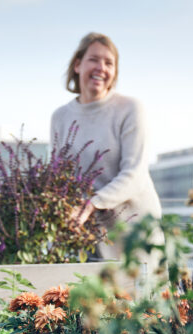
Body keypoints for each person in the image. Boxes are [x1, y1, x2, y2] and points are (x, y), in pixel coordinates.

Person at [50, 33, 163, 288]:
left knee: (144, 313)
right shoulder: (60, 117)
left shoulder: (130, 108)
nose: (101, 68)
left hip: (134, 229)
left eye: (109, 63)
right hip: (88, 232)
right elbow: (57, 179)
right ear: (77, 65)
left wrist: (91, 203)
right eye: (94, 59)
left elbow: (134, 173)